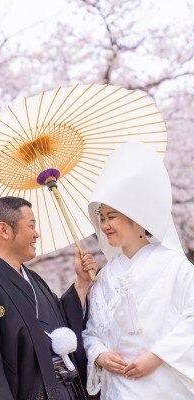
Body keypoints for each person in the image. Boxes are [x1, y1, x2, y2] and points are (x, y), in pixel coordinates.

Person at [0, 196, 99, 400]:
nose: (37, 234)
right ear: (4, 230)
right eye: (31, 225)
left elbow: (56, 326)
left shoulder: (34, 279)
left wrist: (81, 283)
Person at [82, 142, 194, 399]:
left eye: (112, 216)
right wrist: (100, 354)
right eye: (102, 219)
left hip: (164, 384)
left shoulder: (174, 266)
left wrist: (158, 356)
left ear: (137, 217)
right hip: (120, 388)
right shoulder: (104, 277)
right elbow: (92, 332)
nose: (105, 225)